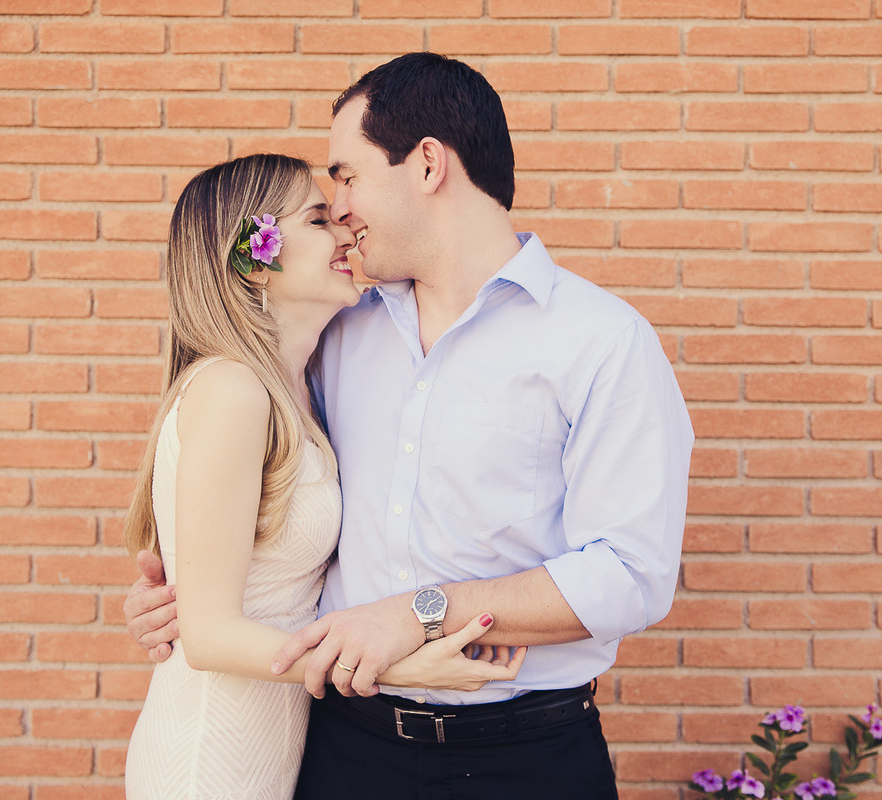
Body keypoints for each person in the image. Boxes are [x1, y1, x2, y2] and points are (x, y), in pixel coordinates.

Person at [125, 52, 694, 798]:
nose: (341, 209)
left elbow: (630, 577)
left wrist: (420, 615)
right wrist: (194, 602)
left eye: (348, 178)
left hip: (527, 759)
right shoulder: (335, 333)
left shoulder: (601, 341)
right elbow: (272, 507)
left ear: (427, 164)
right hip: (344, 751)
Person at [120, 153, 525, 800]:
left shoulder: (295, 390)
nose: (344, 229)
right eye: (317, 218)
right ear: (256, 257)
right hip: (209, 764)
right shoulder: (232, 391)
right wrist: (398, 664)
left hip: (276, 754)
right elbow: (208, 634)